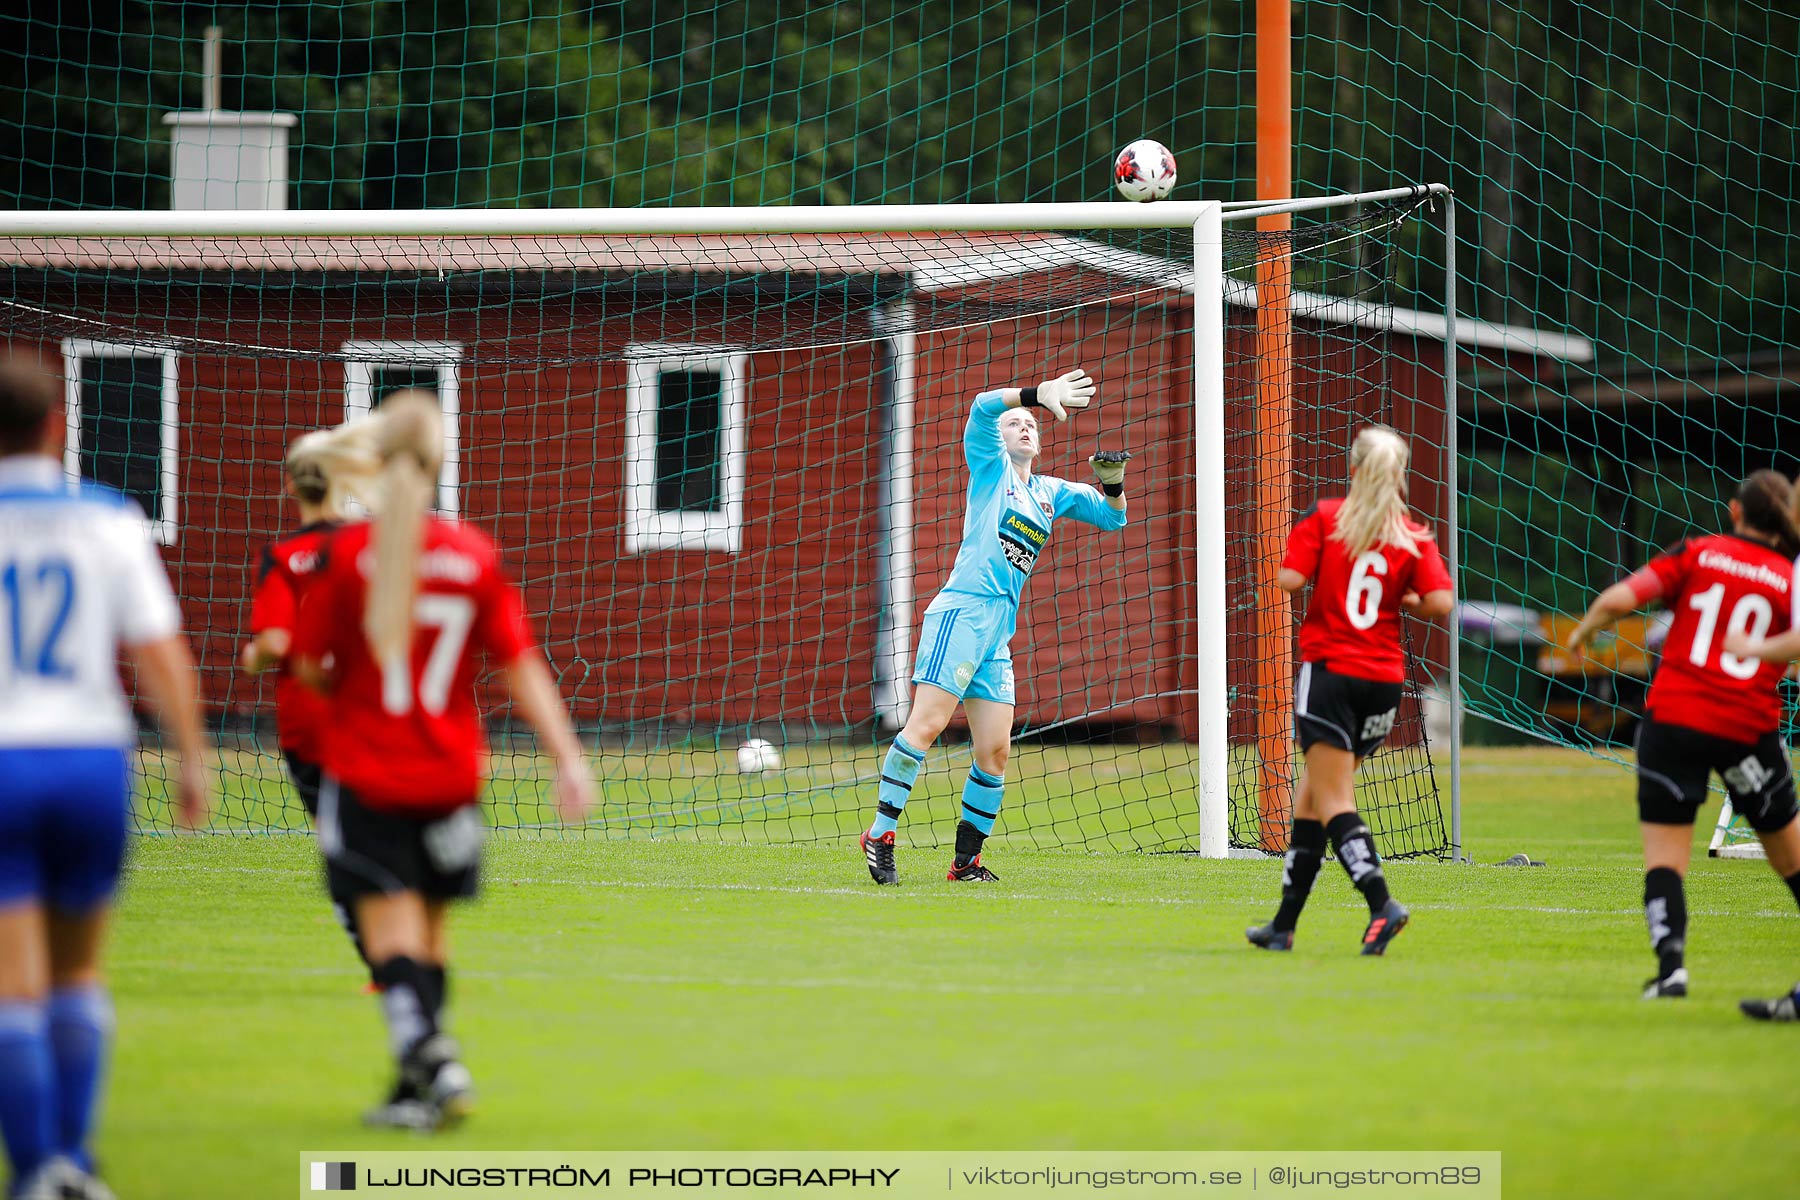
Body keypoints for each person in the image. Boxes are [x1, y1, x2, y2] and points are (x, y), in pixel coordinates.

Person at [289, 391, 597, 1130]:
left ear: (375, 458)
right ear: (440, 459)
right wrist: (568, 759)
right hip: (453, 774)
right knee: (429, 934)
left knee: (390, 936)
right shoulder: (472, 555)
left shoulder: (349, 557)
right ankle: (411, 1086)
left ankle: (434, 1055)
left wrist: (349, 687)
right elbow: (519, 665)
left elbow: (307, 664)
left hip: (369, 770)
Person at [0, 353, 209, 1200]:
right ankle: (77, 1166)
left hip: (5, 761)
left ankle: (37, 1171)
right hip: (90, 761)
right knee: (78, 974)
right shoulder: (111, 518)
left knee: (14, 985)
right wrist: (191, 758)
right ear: (57, 426)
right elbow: (159, 651)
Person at [859, 368, 1129, 885]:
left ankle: (965, 864)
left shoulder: (1051, 492)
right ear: (1001, 440)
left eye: (1031, 422)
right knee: (927, 726)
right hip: (961, 613)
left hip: (997, 631)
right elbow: (984, 404)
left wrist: (1112, 484)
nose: (1025, 426)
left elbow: (1115, 517)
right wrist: (1037, 393)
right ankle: (880, 833)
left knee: (996, 750)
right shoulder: (990, 468)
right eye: (1015, 424)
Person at [1564, 469, 1800, 1003]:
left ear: (1735, 512)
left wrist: (1584, 629)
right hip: (1745, 728)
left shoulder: (1697, 554)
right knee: (1791, 862)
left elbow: (1625, 596)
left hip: (1674, 721)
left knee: (1666, 859)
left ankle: (1671, 969)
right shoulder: (1790, 577)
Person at [1245, 425, 1453, 955]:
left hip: (1332, 671)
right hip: (1383, 681)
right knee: (1312, 799)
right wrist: (1403, 600)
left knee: (1333, 797)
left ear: (1354, 469)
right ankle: (1283, 926)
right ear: (1398, 475)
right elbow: (1441, 603)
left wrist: (1288, 557)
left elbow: (1290, 581)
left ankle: (1382, 902)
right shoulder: (1411, 533)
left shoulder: (1327, 518)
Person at [239, 431, 371, 977]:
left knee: (336, 839)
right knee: (375, 832)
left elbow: (273, 643)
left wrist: (251, 657)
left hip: (308, 722)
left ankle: (374, 955)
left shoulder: (284, 558)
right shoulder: (368, 546)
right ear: (341, 482)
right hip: (368, 713)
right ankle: (399, 958)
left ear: (290, 484)